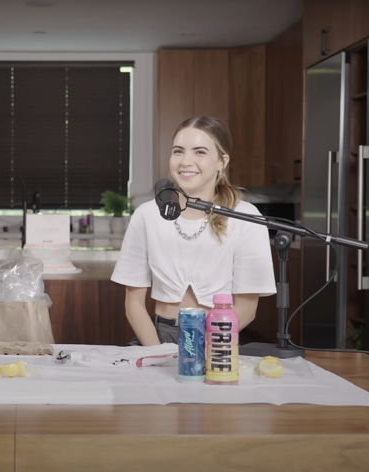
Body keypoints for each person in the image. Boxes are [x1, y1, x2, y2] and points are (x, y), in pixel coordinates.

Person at [111, 116, 276, 346]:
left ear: (222, 161)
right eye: (178, 151)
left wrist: (201, 352)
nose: (185, 161)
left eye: (200, 152)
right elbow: (133, 304)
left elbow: (247, 310)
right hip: (156, 340)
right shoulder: (146, 215)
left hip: (218, 341)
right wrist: (158, 355)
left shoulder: (245, 217)